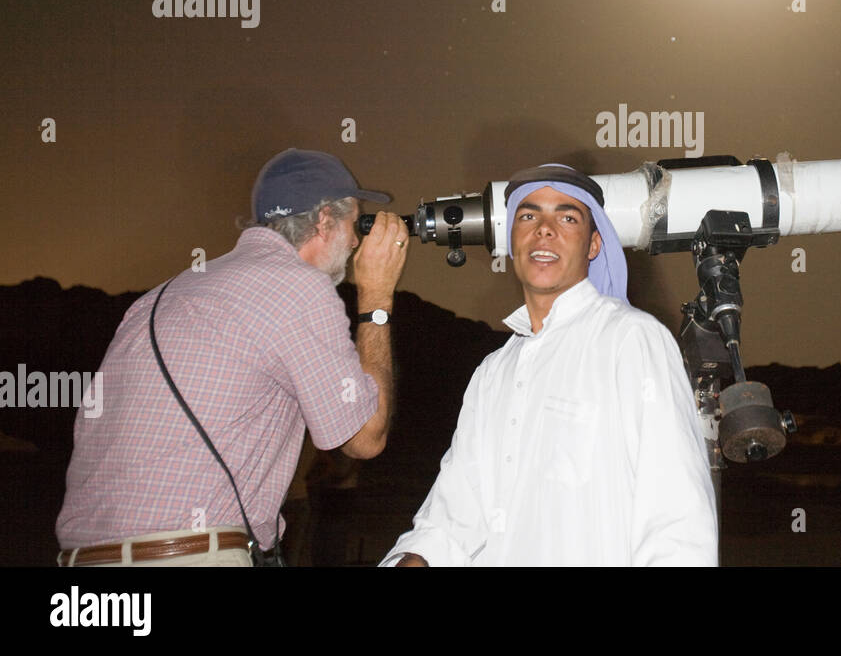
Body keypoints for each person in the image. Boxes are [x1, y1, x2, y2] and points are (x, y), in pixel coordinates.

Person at [55, 148, 409, 566]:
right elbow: (364, 437)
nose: (356, 242)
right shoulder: (298, 287)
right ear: (324, 219)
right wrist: (377, 295)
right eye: (356, 223)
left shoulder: (162, 295)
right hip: (186, 556)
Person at [381, 163, 717, 566]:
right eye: (528, 215)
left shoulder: (631, 341)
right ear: (512, 239)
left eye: (567, 216)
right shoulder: (493, 372)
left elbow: (676, 519)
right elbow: (454, 515)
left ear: (594, 245)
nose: (544, 228)